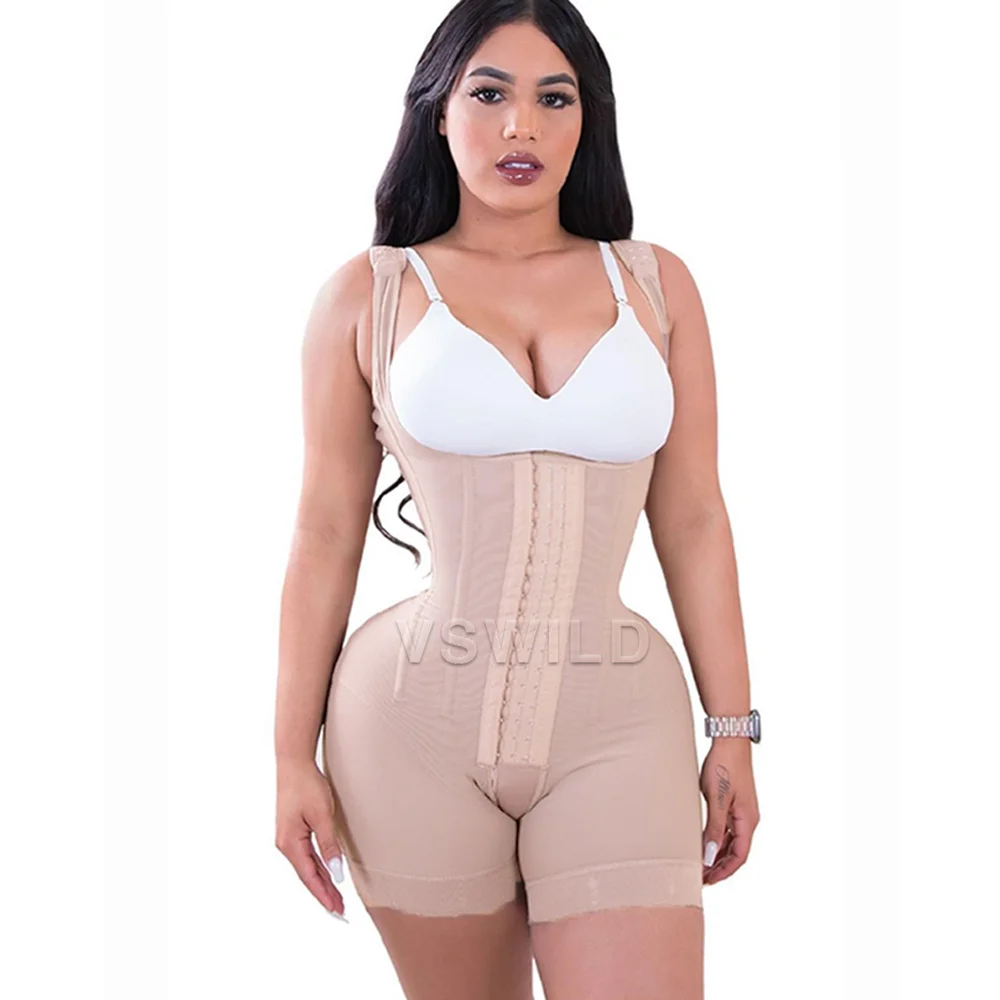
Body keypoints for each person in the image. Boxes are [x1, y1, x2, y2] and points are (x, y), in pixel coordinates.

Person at [274, 2, 760, 997]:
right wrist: (289, 755)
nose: (520, 126)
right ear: (437, 111)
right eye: (488, 93)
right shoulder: (368, 294)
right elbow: (324, 530)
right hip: (407, 728)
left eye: (555, 98)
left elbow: (694, 518)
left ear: (589, 119)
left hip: (618, 723)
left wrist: (733, 728)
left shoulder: (655, 285)